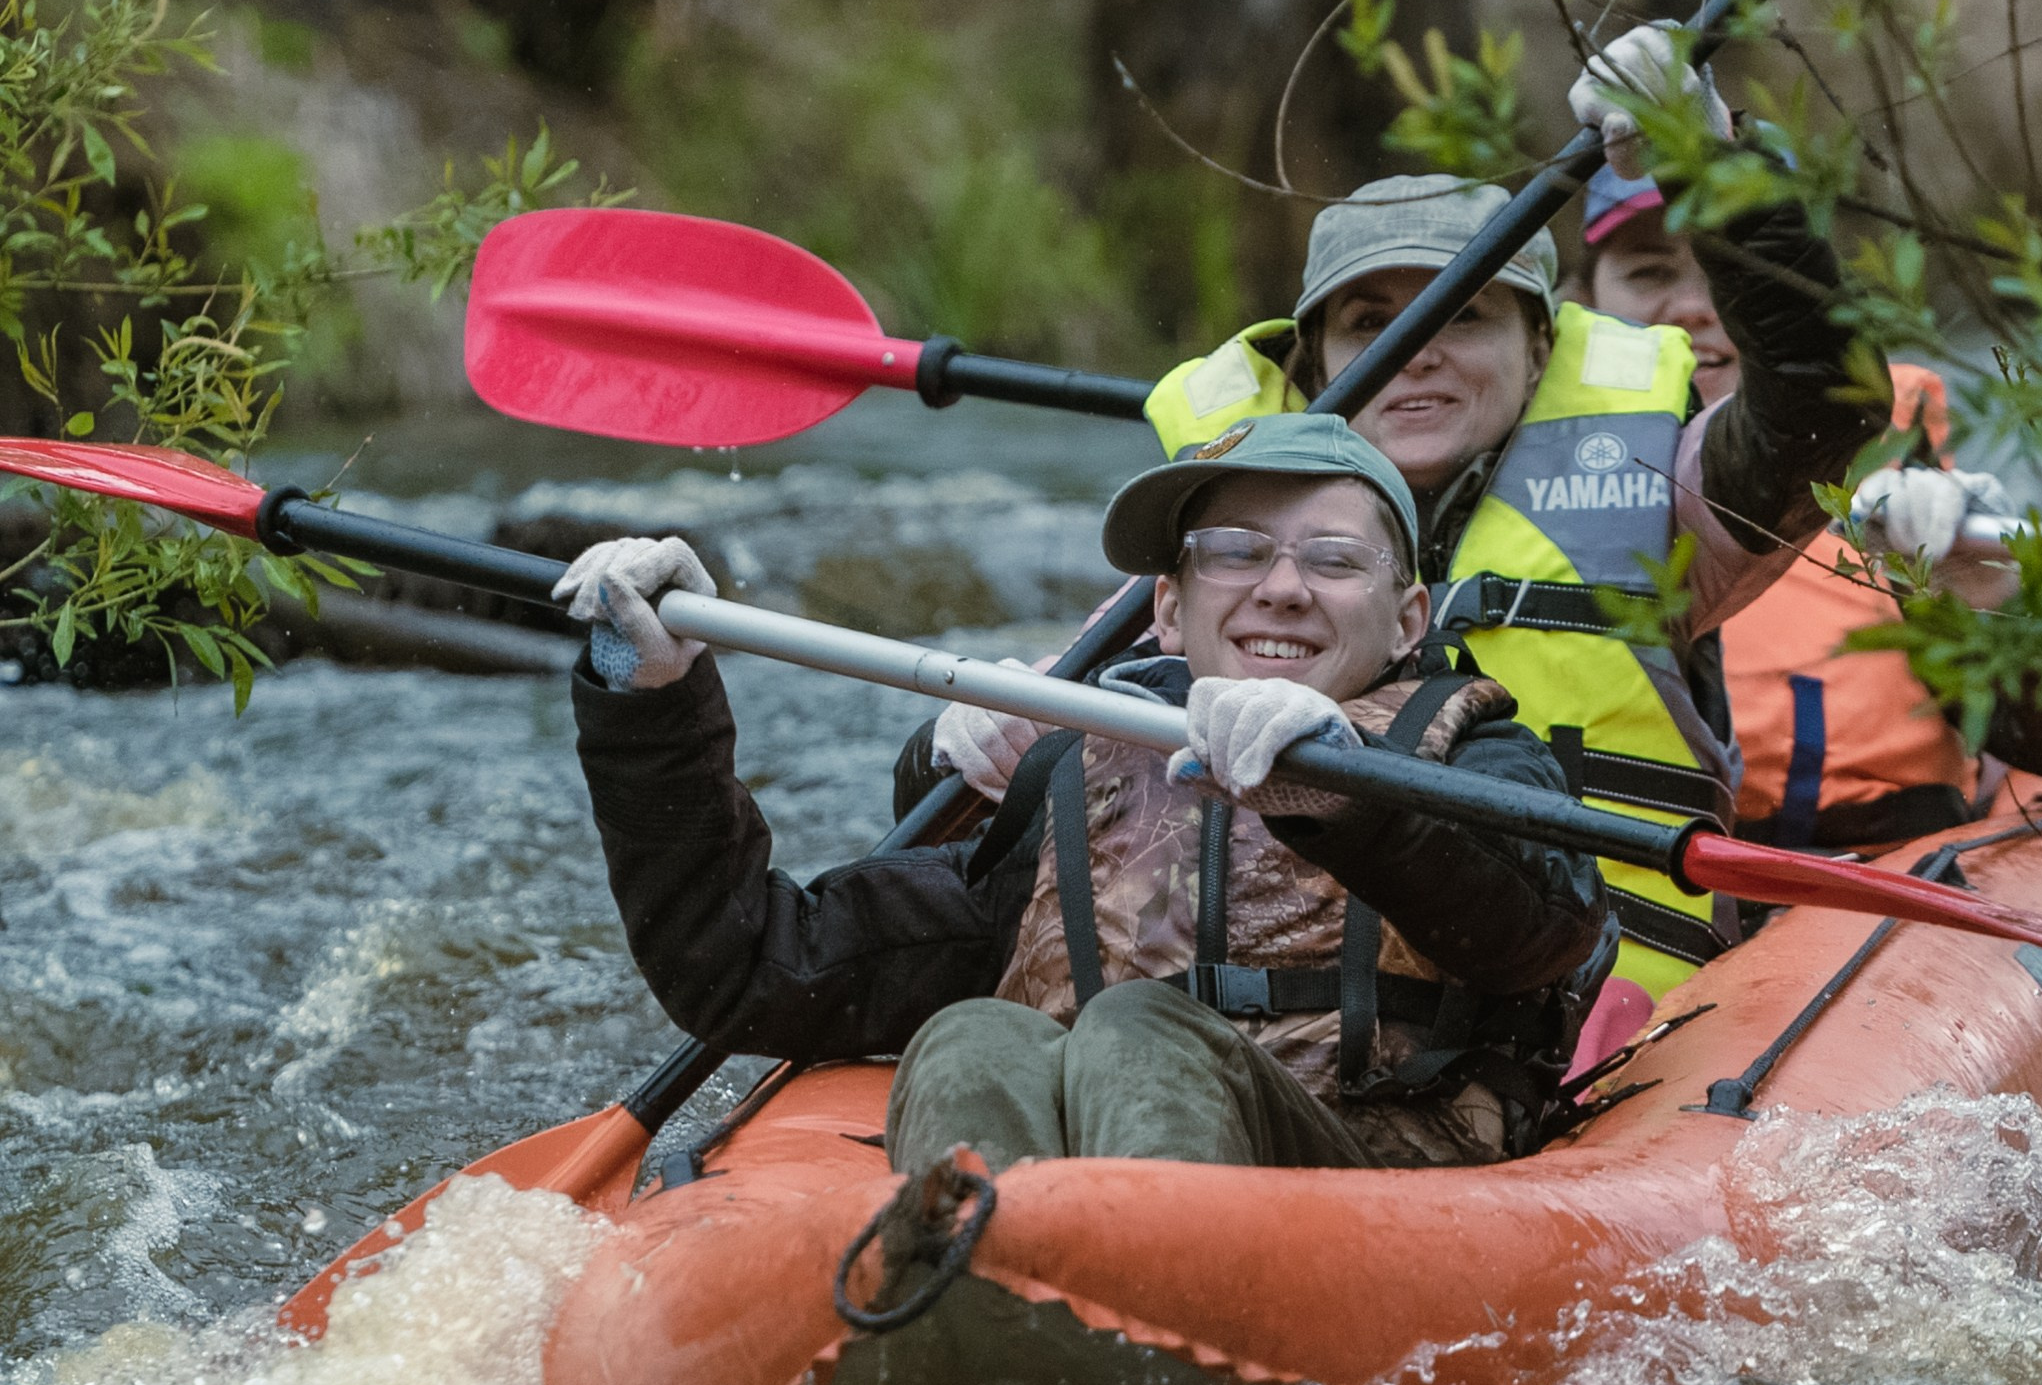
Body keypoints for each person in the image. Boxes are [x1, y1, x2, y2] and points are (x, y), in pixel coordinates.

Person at [930, 25, 1874, 995]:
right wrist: (959, 744)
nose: (1417, 353)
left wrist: (1712, 170)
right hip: (1307, 1029)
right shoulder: (1223, 563)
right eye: (1371, 323)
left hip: (1608, 1013)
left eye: (1463, 315)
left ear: (1540, 349)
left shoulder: (1663, 495)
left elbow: (1825, 401)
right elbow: (1022, 788)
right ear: (1315, 365)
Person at [555, 418, 1613, 1254]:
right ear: (1168, 611)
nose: (1283, 588)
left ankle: (1150, 1314)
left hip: (1375, 1211)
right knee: (973, 1038)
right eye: (1235, 553)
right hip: (1074, 1246)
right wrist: (650, 698)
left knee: (1140, 1030)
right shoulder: (1080, 783)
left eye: (1334, 560)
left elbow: (1545, 928)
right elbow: (751, 967)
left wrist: (1347, 791)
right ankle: (994, 1311)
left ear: (1409, 621)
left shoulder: (1475, 760)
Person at [1579, 162, 2042, 849]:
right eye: (1649, 274)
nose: (1696, 307)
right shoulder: (1515, 485)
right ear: (1578, 302)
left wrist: (1994, 597)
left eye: (1728, 273)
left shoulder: (1905, 485)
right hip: (1634, 880)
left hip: (1882, 873)